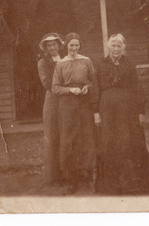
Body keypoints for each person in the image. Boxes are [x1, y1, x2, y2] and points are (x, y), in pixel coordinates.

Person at [94, 34, 149, 194]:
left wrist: (141, 111)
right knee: (109, 143)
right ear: (109, 47)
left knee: (129, 142)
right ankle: (111, 185)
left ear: (123, 48)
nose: (116, 49)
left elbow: (137, 88)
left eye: (119, 46)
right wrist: (96, 112)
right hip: (107, 110)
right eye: (113, 46)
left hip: (128, 111)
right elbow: (96, 89)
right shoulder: (101, 64)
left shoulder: (129, 64)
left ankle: (133, 183)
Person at [52, 33, 96, 194]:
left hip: (83, 104)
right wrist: (70, 89)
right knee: (68, 139)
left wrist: (87, 88)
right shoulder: (60, 64)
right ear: (66, 46)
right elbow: (55, 87)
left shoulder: (86, 61)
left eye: (77, 45)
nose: (74, 48)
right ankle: (70, 179)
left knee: (86, 138)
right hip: (67, 105)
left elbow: (93, 80)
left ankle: (87, 176)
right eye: (71, 45)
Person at [37, 32, 64, 185]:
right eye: (49, 45)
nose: (52, 47)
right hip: (52, 101)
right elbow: (47, 83)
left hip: (66, 101)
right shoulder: (42, 63)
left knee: (65, 135)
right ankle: (52, 176)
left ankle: (66, 172)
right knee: (52, 136)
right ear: (46, 48)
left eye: (54, 44)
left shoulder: (66, 59)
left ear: (59, 45)